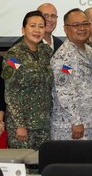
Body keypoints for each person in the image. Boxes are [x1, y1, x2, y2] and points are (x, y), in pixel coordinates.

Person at [3, 10, 54, 149]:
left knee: (42, 166)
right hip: (23, 126)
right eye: (32, 26)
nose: (37, 30)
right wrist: (20, 124)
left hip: (43, 124)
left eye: (41, 26)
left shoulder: (46, 52)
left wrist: (71, 68)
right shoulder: (14, 56)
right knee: (23, 167)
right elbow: (11, 92)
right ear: (23, 29)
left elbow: (59, 71)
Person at [50, 9, 92, 141]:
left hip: (90, 123)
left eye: (85, 24)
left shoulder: (89, 51)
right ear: (66, 29)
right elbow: (64, 90)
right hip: (71, 128)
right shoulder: (64, 56)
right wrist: (76, 121)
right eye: (76, 25)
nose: (82, 28)